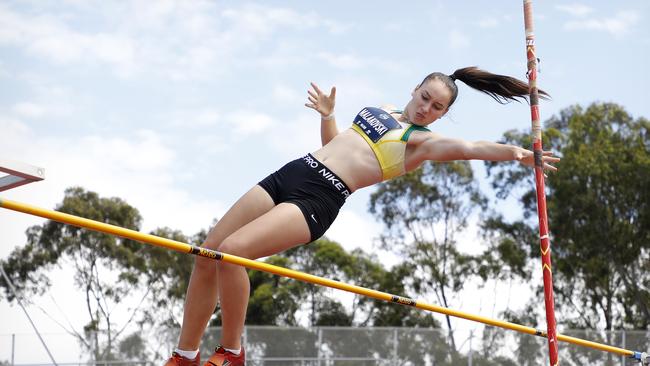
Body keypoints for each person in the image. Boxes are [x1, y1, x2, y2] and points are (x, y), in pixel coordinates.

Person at [165, 66, 560, 366]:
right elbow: (336, 145)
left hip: (319, 197)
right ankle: (185, 355)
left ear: (442, 115)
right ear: (414, 89)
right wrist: (327, 116)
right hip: (295, 170)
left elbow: (471, 146)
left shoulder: (422, 143)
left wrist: (516, 153)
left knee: (233, 253)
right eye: (425, 97)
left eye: (436, 107)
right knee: (207, 253)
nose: (426, 108)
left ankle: (232, 352)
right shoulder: (381, 110)